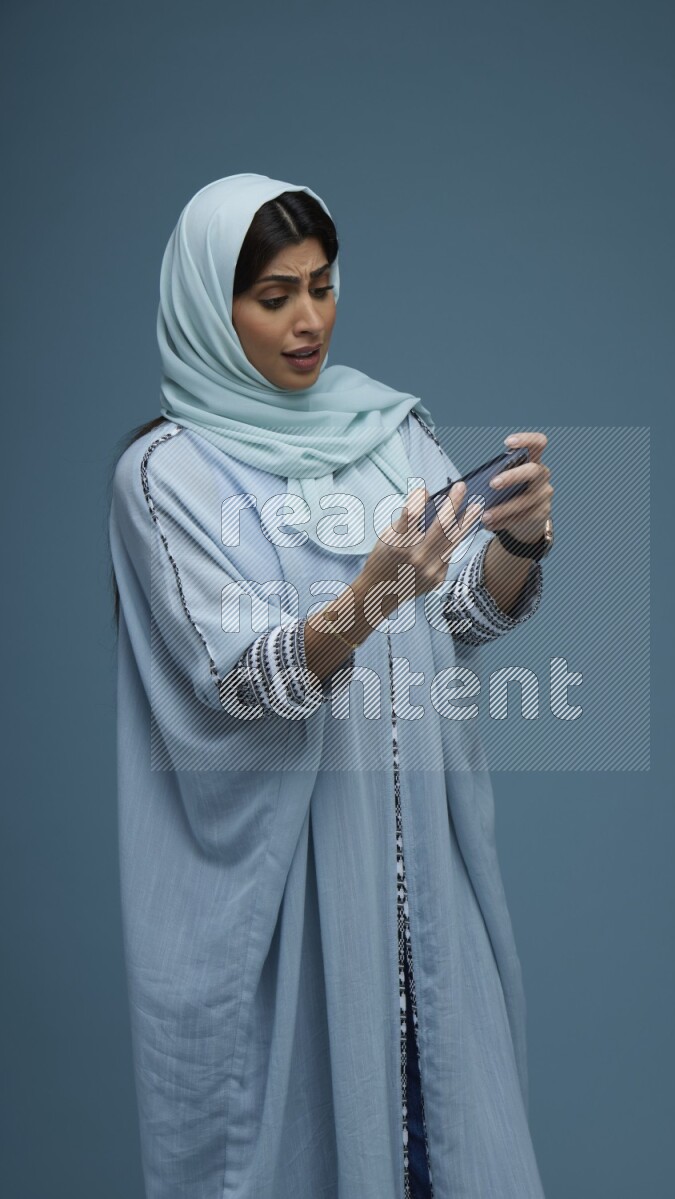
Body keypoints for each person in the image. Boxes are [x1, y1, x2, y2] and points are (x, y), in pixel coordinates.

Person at [108, 173, 554, 1199]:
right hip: (285, 902)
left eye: (320, 284)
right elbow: (242, 680)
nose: (309, 320)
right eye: (273, 294)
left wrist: (519, 543)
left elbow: (459, 620)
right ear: (207, 307)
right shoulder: (167, 474)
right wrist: (365, 595)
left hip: (420, 892)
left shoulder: (387, 432)